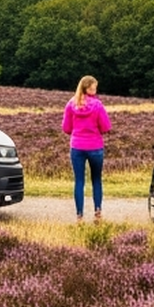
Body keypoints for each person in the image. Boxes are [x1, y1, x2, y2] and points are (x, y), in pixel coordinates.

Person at [60, 75, 113, 222]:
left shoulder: (71, 104)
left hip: (77, 147)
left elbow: (66, 128)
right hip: (95, 146)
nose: (95, 89)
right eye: (94, 87)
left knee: (79, 181)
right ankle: (97, 212)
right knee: (96, 179)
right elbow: (106, 126)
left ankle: (79, 215)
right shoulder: (98, 105)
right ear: (88, 88)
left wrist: (78, 132)